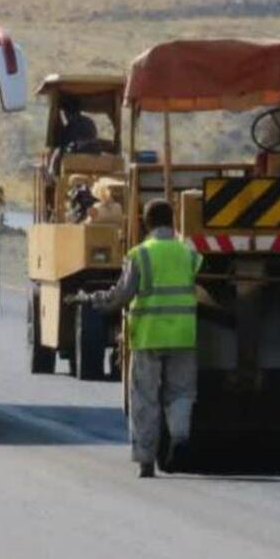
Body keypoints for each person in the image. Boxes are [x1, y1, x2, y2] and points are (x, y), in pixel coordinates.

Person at [89, 198, 203, 478]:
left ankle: (146, 461)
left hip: (149, 336)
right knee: (181, 393)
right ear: (173, 221)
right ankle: (179, 440)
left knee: (145, 397)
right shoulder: (189, 253)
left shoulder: (139, 254)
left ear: (146, 223)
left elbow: (123, 294)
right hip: (183, 336)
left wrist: (99, 302)